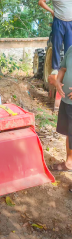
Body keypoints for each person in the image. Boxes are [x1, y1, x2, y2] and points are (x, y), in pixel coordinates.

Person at [38, 0, 72, 84]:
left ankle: (68, 70)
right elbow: (41, 1)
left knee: (69, 48)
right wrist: (52, 11)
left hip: (71, 23)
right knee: (56, 46)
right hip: (59, 22)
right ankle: (55, 69)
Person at [51, 45, 72, 173]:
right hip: (66, 101)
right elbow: (63, 68)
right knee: (70, 134)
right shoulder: (71, 49)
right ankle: (69, 163)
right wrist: (58, 81)